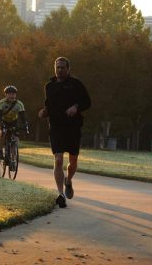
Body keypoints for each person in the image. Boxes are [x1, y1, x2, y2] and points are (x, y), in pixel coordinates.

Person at [38, 57, 91, 208]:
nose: (60, 70)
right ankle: (61, 194)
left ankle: (68, 180)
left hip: (73, 127)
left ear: (68, 69)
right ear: (54, 69)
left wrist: (76, 107)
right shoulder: (49, 86)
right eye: (57, 67)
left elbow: (88, 102)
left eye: (62, 68)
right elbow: (49, 105)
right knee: (58, 159)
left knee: (73, 161)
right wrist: (44, 112)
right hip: (56, 127)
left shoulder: (76, 84)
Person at [0, 85, 29, 166]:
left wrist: (25, 127)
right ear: (5, 94)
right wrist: (1, 125)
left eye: (13, 94)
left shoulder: (19, 104)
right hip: (3, 121)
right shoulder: (0, 103)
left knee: (15, 139)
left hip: (14, 122)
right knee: (2, 133)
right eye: (9, 94)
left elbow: (23, 117)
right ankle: (0, 152)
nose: (12, 95)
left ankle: (13, 159)